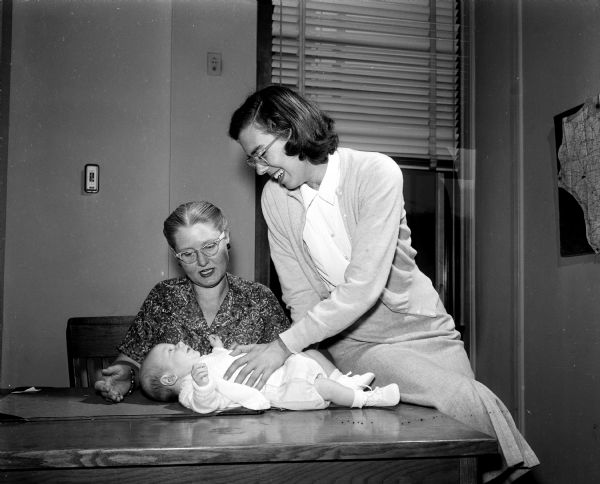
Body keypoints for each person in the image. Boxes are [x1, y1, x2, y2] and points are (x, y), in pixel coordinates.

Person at [227, 85, 539, 481]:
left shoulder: (376, 172)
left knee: (465, 446)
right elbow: (301, 296)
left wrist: (282, 346)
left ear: (288, 131)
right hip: (357, 342)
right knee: (461, 405)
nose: (257, 169)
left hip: (424, 330)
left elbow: (363, 286)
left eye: (259, 154)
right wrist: (298, 351)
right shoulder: (275, 198)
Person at [94, 200, 291, 402]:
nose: (203, 261)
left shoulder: (259, 298)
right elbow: (131, 360)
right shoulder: (164, 297)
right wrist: (127, 376)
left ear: (227, 237)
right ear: (176, 255)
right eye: (188, 253)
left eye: (210, 246)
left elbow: (290, 358)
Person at [140, 334, 400, 414]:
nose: (181, 344)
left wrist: (219, 347)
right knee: (321, 387)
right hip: (277, 390)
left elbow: (220, 362)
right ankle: (368, 399)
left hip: (277, 371)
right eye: (173, 350)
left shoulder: (203, 361)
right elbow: (204, 405)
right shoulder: (189, 389)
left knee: (303, 354)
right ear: (169, 379)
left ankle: (347, 381)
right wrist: (202, 385)